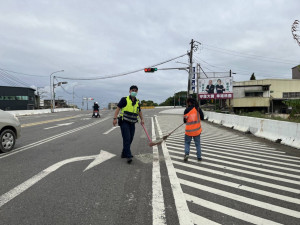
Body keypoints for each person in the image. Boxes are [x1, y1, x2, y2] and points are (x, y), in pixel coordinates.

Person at [113, 85, 144, 164]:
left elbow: (139, 111)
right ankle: (128, 156)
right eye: (132, 90)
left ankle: (124, 153)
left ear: (137, 92)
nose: (134, 92)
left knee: (130, 139)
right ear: (129, 91)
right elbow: (118, 108)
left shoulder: (137, 101)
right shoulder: (124, 99)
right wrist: (115, 118)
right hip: (124, 122)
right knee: (127, 138)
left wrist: (142, 119)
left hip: (132, 122)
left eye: (135, 90)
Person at [183, 97, 204, 161]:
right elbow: (202, 118)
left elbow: (184, 121)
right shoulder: (198, 109)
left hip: (188, 131)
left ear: (189, 102)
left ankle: (186, 154)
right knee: (197, 144)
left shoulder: (186, 110)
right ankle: (199, 157)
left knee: (187, 143)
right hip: (197, 131)